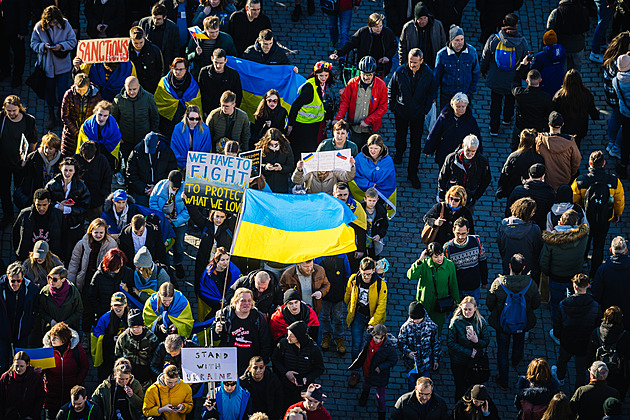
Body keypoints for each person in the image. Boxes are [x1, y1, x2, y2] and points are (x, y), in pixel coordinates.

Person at [487, 253, 541, 389]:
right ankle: (516, 361)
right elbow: (536, 303)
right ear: (523, 268)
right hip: (522, 321)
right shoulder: (530, 284)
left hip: (502, 323)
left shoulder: (498, 284)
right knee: (519, 341)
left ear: (509, 266)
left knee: (502, 350)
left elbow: (489, 303)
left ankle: (503, 378)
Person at [571, 150, 625, 276]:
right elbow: (619, 201)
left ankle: (583, 260)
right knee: (599, 245)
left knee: (584, 241)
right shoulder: (614, 182)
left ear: (589, 163)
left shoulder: (580, 181)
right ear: (604, 163)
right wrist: (617, 214)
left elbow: (574, 201)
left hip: (586, 219)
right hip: (604, 218)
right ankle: (595, 273)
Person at [388, 48, 436, 187]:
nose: (412, 65)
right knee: (400, 135)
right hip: (401, 112)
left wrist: (424, 109)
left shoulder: (428, 74)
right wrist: (393, 106)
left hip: (418, 114)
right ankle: (399, 152)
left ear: (421, 61)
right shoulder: (400, 71)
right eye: (410, 62)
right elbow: (391, 88)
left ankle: (412, 173)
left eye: (415, 62)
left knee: (416, 144)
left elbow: (431, 93)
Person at [481, 12, 529, 137]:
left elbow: (485, 57)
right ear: (516, 25)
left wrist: (483, 70)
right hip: (512, 79)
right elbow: (526, 61)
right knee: (510, 99)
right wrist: (523, 76)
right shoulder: (522, 42)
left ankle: (494, 127)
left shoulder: (494, 39)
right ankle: (507, 119)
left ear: (503, 23)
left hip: (496, 78)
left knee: (495, 102)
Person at [30, 5, 77, 130]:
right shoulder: (38, 27)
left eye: (55, 22)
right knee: (49, 92)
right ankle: (51, 114)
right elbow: (33, 44)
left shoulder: (65, 24)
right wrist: (43, 47)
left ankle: (61, 114)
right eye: (51, 22)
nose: (53, 24)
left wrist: (61, 46)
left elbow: (73, 41)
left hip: (63, 66)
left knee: (63, 92)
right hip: (47, 67)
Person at [552, 273, 601, 388]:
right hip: (584, 343)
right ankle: (578, 392)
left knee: (562, 360)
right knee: (581, 370)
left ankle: (560, 378)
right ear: (588, 285)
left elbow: (557, 324)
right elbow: (596, 326)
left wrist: (559, 335)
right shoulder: (595, 306)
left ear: (574, 287)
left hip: (567, 340)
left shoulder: (564, 304)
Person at [344, 256, 388, 386]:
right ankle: (355, 372)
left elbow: (381, 306)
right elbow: (348, 293)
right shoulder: (353, 279)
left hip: (372, 318)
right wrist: (348, 307)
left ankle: (369, 370)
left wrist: (372, 323)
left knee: (372, 347)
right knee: (356, 346)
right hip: (358, 315)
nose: (366, 277)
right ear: (360, 270)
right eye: (364, 274)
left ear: (374, 270)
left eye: (369, 274)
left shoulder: (381, 284)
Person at [540, 209, 589, 318]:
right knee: (574, 301)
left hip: (557, 276)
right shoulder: (583, 237)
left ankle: (557, 326)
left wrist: (547, 272)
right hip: (575, 274)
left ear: (560, 222)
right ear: (576, 223)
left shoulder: (552, 240)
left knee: (555, 303)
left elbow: (544, 260)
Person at [212, 287, 272, 374]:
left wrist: (261, 364)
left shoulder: (258, 317)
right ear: (235, 302)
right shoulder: (225, 314)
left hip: (251, 366)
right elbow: (213, 337)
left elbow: (265, 342)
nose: (247, 303)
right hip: (228, 363)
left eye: (249, 300)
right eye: (243, 301)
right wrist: (217, 330)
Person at [333, 56, 388, 149]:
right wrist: (338, 118)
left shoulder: (381, 85)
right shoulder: (352, 83)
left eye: (369, 75)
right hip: (354, 128)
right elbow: (344, 102)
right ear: (360, 72)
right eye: (364, 74)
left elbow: (383, 107)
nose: (367, 77)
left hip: (371, 128)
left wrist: (368, 121)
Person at [0, 95, 38, 227]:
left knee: (20, 189)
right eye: (8, 111)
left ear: (19, 108)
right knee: (3, 190)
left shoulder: (28, 121)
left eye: (13, 111)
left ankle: (22, 213)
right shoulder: (2, 118)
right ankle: (8, 215)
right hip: (3, 163)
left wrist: (26, 160)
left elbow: (33, 140)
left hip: (20, 164)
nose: (11, 113)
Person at [272, 321, 325, 408]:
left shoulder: (313, 349)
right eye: (288, 334)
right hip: (285, 386)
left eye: (291, 336)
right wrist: (286, 372)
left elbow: (319, 369)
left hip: (304, 389)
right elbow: (275, 359)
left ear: (299, 337)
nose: (288, 337)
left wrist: (307, 378)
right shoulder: (283, 344)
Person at [348, 324, 397, 419]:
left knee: (380, 397)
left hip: (380, 374)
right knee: (366, 383)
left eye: (380, 338)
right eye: (376, 337)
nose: (377, 340)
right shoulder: (368, 339)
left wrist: (381, 367)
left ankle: (381, 414)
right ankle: (364, 395)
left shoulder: (389, 348)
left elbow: (393, 360)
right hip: (367, 368)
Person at [111, 76, 160, 171]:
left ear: (139, 86)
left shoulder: (148, 98)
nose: (132, 92)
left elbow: (155, 118)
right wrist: (118, 137)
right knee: (127, 164)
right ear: (125, 87)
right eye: (129, 89)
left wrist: (153, 135)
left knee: (143, 165)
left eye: (134, 89)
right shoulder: (118, 100)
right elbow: (114, 120)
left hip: (143, 139)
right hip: (126, 140)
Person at [408, 243, 459, 333]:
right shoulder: (424, 264)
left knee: (436, 329)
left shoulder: (450, 265)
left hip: (440, 305)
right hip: (424, 304)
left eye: (441, 255)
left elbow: (453, 285)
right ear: (430, 256)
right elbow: (411, 275)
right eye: (436, 257)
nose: (439, 259)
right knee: (420, 330)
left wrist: (456, 302)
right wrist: (420, 260)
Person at [42, 322, 89, 418]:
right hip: (51, 396)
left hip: (70, 396)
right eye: (52, 336)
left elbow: (85, 366)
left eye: (56, 337)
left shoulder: (76, 349)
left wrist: (77, 382)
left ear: (64, 338)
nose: (52, 339)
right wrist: (38, 371)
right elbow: (42, 370)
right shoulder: (46, 350)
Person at [288, 61, 333, 161]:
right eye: (321, 75)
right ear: (316, 74)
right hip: (303, 125)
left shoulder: (322, 84)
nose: (324, 78)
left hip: (314, 124)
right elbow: (295, 106)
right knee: (304, 151)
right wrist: (290, 125)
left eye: (326, 75)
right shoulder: (310, 88)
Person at [447, 297, 490, 399]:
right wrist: (469, 352)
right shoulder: (456, 322)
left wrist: (477, 341)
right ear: (461, 307)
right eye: (465, 309)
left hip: (475, 361)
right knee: (460, 387)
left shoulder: (480, 321)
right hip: (459, 361)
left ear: (475, 308)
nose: (467, 312)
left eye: (470, 309)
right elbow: (451, 343)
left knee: (473, 386)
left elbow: (486, 341)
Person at [150, 170, 190, 278]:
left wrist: (174, 220)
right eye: (173, 186)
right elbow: (152, 202)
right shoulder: (159, 186)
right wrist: (163, 218)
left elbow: (189, 210)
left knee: (179, 245)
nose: (175, 189)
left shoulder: (186, 189)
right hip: (163, 222)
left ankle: (178, 263)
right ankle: (166, 265)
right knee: (164, 244)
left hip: (179, 224)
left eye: (177, 186)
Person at [424, 93, 481, 168]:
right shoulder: (444, 117)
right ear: (452, 105)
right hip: (445, 151)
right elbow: (435, 133)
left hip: (461, 154)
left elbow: (476, 137)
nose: (460, 109)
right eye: (458, 106)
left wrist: (478, 153)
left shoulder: (470, 120)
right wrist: (428, 149)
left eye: (463, 107)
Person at [331, 13, 396, 76]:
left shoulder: (388, 32)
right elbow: (350, 44)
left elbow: (393, 46)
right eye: (376, 27)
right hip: (364, 67)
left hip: (381, 67)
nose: (379, 29)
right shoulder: (362, 32)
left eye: (380, 26)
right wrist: (338, 53)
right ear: (370, 25)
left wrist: (387, 56)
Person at [0, 263, 38, 371]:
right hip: (3, 332)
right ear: (8, 277)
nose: (15, 283)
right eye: (13, 281)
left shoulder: (30, 290)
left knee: (21, 365)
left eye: (19, 281)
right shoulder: (1, 288)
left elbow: (35, 309)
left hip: (21, 333)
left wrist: (29, 325)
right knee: (2, 364)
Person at [586, 306, 630, 400]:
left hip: (599, 368)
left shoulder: (596, 332)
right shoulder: (625, 335)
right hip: (617, 372)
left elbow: (590, 352)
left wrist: (589, 367)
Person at [196, 248, 242, 337]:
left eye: (227, 259)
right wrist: (217, 301)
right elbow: (203, 291)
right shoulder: (208, 275)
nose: (225, 262)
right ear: (216, 260)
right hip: (212, 306)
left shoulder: (234, 271)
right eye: (222, 260)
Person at [434, 24, 480, 111]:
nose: (460, 43)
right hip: (447, 95)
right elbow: (436, 77)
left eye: (462, 39)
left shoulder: (472, 52)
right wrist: (434, 96)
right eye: (457, 40)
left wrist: (470, 92)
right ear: (451, 40)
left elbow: (476, 72)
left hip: (465, 94)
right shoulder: (442, 55)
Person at [437, 135, 491, 209]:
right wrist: (441, 194)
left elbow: (486, 179)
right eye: (468, 150)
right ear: (463, 146)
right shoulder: (452, 158)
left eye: (473, 151)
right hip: (453, 194)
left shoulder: (482, 162)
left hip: (469, 196)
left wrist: (476, 196)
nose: (470, 154)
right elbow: (443, 176)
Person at [154, 57, 203, 139]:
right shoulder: (163, 83)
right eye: (175, 69)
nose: (178, 72)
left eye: (181, 69)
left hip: (185, 123)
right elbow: (157, 103)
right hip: (166, 122)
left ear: (186, 69)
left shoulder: (193, 86)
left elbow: (196, 106)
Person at [511, 61, 554, 149]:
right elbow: (549, 112)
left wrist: (522, 65)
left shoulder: (520, 94)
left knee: (515, 147)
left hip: (521, 126)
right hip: (537, 128)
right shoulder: (545, 97)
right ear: (540, 80)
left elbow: (514, 81)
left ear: (527, 81)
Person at [126, 132, 178, 206]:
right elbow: (131, 174)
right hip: (142, 191)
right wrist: (144, 188)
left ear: (158, 143)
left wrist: (157, 187)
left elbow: (171, 172)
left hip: (161, 191)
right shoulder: (136, 152)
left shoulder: (167, 151)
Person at [499, 197, 543, 282]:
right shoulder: (534, 229)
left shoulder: (503, 225)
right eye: (532, 212)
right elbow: (538, 250)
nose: (533, 214)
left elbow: (501, 245)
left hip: (509, 266)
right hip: (528, 269)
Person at [12, 188, 64, 262]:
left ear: (49, 202)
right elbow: (16, 234)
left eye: (44, 205)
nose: (41, 208)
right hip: (29, 257)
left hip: (50, 257)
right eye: (38, 205)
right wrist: (19, 253)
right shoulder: (25, 215)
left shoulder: (58, 215)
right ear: (34, 202)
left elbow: (64, 235)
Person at [552, 70, 599, 148]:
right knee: (577, 144)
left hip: (565, 127)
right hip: (580, 127)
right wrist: (596, 115)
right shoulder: (586, 94)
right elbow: (592, 109)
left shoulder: (559, 96)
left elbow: (555, 111)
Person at [68, 217, 117, 292]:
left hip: (102, 277)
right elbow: (74, 264)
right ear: (91, 231)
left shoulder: (112, 244)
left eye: (101, 233)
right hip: (86, 276)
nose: (98, 235)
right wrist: (70, 283)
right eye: (96, 232)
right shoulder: (81, 244)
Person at [444, 218, 488, 301]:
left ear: (468, 231)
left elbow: (482, 261)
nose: (460, 237)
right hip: (457, 289)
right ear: (453, 230)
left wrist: (484, 280)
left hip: (474, 287)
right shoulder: (447, 248)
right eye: (458, 233)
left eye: (463, 234)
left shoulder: (476, 241)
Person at [535, 111, 582, 191]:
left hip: (547, 180)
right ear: (562, 124)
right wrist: (571, 173)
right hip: (565, 179)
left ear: (549, 124)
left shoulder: (540, 141)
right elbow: (577, 160)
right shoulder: (570, 142)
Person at [15, 132, 62, 210]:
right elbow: (22, 175)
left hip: (53, 195)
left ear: (56, 149)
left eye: (51, 148)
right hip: (35, 193)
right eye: (45, 147)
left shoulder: (61, 160)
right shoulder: (33, 157)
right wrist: (23, 163)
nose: (47, 150)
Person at [592, 237, 630, 330]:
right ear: (626, 251)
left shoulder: (603, 269)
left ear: (611, 250)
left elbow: (596, 293)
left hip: (608, 311)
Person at [60, 73, 102, 157]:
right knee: (68, 155)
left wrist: (86, 131)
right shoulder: (69, 95)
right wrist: (76, 131)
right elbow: (64, 116)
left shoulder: (96, 96)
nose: (81, 93)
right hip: (71, 134)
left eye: (84, 90)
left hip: (88, 132)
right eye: (79, 90)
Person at [38, 265, 83, 343]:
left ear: (63, 279)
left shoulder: (73, 292)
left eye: (55, 279)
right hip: (50, 331)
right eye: (50, 278)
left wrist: (66, 323)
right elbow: (40, 310)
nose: (51, 281)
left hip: (68, 330)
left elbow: (79, 310)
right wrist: (50, 320)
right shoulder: (45, 292)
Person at [602, 33, 630, 160]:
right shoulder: (620, 62)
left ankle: (611, 143)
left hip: (610, 95)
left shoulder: (612, 56)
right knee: (624, 124)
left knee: (614, 117)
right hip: (618, 98)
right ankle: (616, 147)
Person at [496, 129, 545, 200]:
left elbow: (505, 174)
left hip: (513, 189)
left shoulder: (514, 156)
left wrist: (501, 188)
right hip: (531, 192)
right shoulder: (539, 158)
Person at [114, 308, 159, 384]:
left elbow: (156, 359)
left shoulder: (152, 339)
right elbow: (117, 356)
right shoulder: (123, 338)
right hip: (128, 377)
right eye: (133, 327)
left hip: (146, 376)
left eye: (138, 327)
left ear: (142, 325)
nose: (135, 330)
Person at [90, 292, 128, 381]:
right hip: (108, 351)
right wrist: (111, 339)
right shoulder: (105, 318)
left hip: (126, 351)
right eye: (115, 305)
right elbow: (96, 334)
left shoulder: (130, 316)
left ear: (125, 304)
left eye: (120, 305)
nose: (118, 308)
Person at [506, 163, 556, 230]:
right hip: (539, 225)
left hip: (519, 225)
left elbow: (509, 210)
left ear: (529, 174)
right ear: (543, 176)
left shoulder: (518, 190)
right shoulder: (549, 193)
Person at [75, 100, 122, 172]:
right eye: (100, 114)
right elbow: (83, 144)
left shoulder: (114, 126)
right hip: (92, 153)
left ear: (109, 115)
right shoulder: (86, 126)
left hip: (107, 153)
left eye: (105, 116)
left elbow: (115, 142)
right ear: (95, 112)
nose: (101, 118)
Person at [398, 3, 447, 70]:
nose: (423, 21)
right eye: (420, 19)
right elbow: (402, 47)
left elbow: (443, 44)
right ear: (416, 18)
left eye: (425, 18)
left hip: (433, 64)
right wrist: (404, 65)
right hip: (414, 65)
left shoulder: (437, 25)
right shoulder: (408, 27)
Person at [546, 0, 590, 71]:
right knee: (576, 71)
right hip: (578, 47)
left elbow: (549, 30)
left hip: (561, 48)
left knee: (562, 71)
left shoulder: (556, 12)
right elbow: (586, 27)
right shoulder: (583, 11)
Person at [0, 351, 45, 420]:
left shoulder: (35, 378)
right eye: (16, 366)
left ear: (27, 364)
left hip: (29, 417)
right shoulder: (5, 378)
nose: (18, 369)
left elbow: (40, 398)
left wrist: (33, 416)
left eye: (21, 366)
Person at [73, 141, 112, 220]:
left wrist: (102, 194)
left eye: (91, 158)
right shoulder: (75, 159)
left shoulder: (102, 160)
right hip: (79, 198)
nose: (88, 161)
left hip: (96, 199)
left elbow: (107, 178)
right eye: (86, 158)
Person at [198, 48, 243, 117]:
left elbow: (238, 94)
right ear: (212, 58)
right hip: (209, 111)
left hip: (228, 112)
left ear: (225, 61)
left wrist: (233, 110)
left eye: (221, 63)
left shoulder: (233, 74)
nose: (218, 66)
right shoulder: (204, 72)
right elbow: (200, 93)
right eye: (216, 62)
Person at [72, 58, 137, 104]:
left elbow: (134, 83)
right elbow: (80, 79)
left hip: (119, 103)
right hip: (94, 102)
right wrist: (77, 68)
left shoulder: (128, 66)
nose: (110, 70)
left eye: (114, 69)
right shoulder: (92, 64)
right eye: (108, 68)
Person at [138, 3, 180, 72]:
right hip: (147, 59)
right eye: (154, 18)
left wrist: (173, 64)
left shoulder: (173, 28)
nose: (155, 21)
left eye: (158, 19)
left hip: (165, 60)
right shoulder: (143, 23)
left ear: (165, 17)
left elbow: (175, 48)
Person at [171, 105, 212, 170]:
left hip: (200, 165)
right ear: (186, 117)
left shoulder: (205, 129)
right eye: (192, 119)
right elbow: (174, 148)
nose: (195, 121)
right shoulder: (178, 128)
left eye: (197, 119)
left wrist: (198, 163)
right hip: (181, 164)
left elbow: (206, 149)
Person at [255, 128, 293, 193]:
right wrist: (266, 167)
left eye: (276, 144)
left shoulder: (286, 147)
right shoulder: (260, 147)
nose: (274, 146)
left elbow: (291, 166)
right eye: (271, 144)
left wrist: (281, 168)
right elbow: (256, 166)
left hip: (281, 184)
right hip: (265, 184)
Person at [128, 26, 164, 94]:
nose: (138, 45)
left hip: (150, 87)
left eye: (141, 42)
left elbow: (160, 69)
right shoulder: (125, 51)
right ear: (131, 39)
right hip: (131, 88)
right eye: (135, 43)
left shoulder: (154, 50)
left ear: (144, 38)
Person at [291, 157, 356, 195]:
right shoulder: (310, 172)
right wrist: (299, 170)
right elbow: (297, 181)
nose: (323, 168)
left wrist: (351, 166)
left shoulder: (334, 171)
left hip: (330, 201)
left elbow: (348, 177)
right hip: (312, 201)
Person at [532, 29, 567, 97]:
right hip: (559, 83)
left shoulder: (541, 56)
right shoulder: (563, 52)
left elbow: (535, 70)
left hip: (545, 86)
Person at [361, 188, 389, 258]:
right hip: (362, 238)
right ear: (365, 199)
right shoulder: (360, 209)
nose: (371, 203)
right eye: (369, 201)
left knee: (374, 256)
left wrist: (379, 235)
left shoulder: (381, 211)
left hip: (374, 240)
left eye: (374, 201)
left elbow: (384, 225)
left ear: (377, 200)